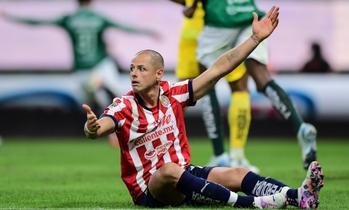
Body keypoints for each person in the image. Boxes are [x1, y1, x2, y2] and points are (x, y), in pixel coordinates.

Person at [82, 7, 324, 208]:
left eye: (141, 69)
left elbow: (219, 68)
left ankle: (298, 196)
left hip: (184, 175)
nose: (134, 74)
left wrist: (255, 39)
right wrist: (92, 128)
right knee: (168, 170)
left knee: (237, 173)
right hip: (151, 190)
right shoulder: (124, 105)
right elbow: (101, 127)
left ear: (158, 74)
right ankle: (252, 203)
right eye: (132, 68)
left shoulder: (173, 94)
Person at [1, 0, 158, 147]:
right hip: (96, 66)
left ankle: (122, 132)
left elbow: (37, 22)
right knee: (103, 99)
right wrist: (148, 31)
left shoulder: (70, 19)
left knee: (108, 97)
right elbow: (125, 27)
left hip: (89, 69)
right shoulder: (97, 18)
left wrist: (11, 17)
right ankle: (127, 126)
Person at [196, 0, 318, 170]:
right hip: (251, 17)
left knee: (205, 79)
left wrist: (189, 5)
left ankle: (220, 155)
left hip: (220, 17)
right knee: (260, 77)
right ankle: (299, 126)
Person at [170, 0, 259, 171]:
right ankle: (236, 156)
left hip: (194, 30)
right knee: (239, 89)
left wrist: (190, 4)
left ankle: (216, 154)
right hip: (222, 25)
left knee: (182, 94)